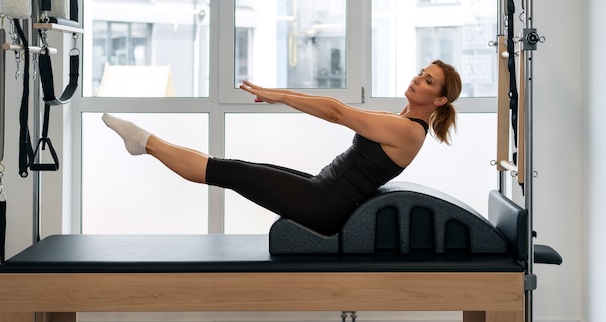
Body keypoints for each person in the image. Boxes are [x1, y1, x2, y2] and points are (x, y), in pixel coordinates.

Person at [102, 59, 462, 236]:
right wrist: (281, 97)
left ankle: (144, 143)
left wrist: (279, 96)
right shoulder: (399, 120)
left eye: (428, 81)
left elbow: (337, 113)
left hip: (326, 205)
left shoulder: (409, 132)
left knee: (229, 172)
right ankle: (145, 143)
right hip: (323, 190)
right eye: (420, 73)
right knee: (236, 167)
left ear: (439, 99)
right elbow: (337, 108)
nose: (417, 79)